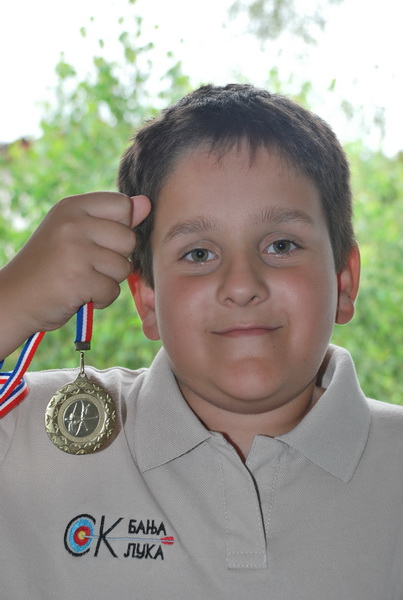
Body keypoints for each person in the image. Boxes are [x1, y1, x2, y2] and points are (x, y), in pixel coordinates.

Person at [0, 84, 402, 599]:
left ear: (344, 282)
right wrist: (10, 300)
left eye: (281, 245)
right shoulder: (26, 436)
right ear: (146, 299)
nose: (241, 285)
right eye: (198, 254)